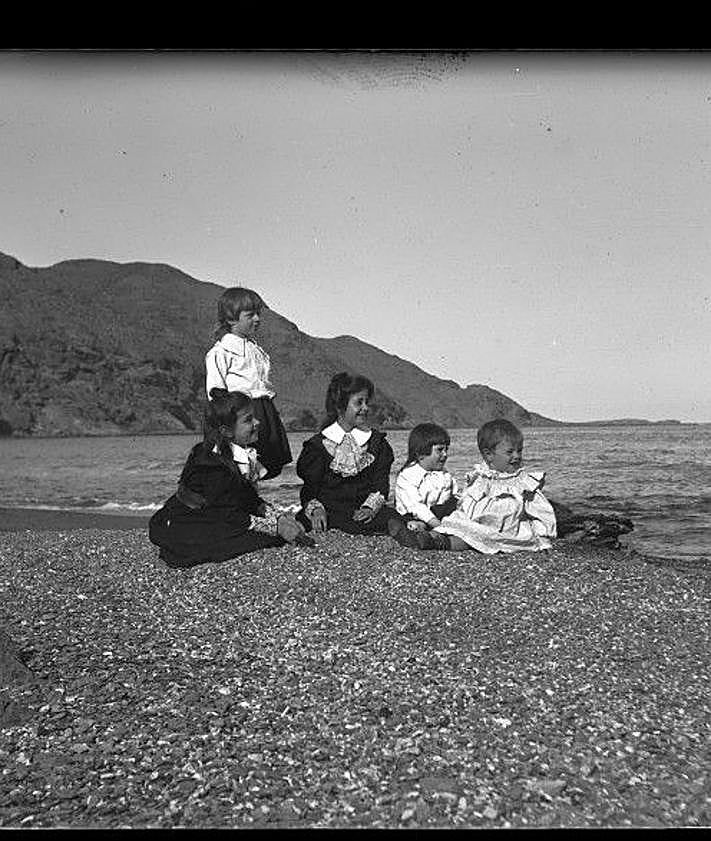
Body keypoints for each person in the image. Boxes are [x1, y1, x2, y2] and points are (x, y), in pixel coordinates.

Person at [149, 388, 310, 569]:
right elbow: (228, 514)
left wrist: (279, 517)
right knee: (260, 540)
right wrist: (276, 527)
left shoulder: (233, 457)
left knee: (268, 536)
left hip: (221, 514)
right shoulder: (211, 465)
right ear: (226, 431)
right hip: (193, 519)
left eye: (254, 417)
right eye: (248, 420)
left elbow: (248, 499)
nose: (257, 422)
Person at [404, 418, 557, 553]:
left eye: (519, 451)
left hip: (505, 529)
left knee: (471, 540)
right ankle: (434, 537)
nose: (516, 456)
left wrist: (543, 538)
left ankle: (440, 543)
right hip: (475, 522)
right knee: (458, 527)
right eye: (510, 452)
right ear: (489, 455)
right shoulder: (482, 477)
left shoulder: (522, 482)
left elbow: (539, 511)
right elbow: (467, 500)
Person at [295, 372, 404, 535]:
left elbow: (381, 485)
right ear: (340, 406)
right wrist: (316, 510)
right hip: (329, 512)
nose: (365, 408)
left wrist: (369, 508)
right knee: (307, 522)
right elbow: (309, 489)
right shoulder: (317, 446)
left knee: (390, 517)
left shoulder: (377, 443)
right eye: (359, 402)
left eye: (367, 402)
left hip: (365, 513)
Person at [205, 286, 292, 479]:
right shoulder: (221, 352)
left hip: (264, 409)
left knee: (268, 464)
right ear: (231, 319)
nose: (257, 319)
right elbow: (216, 391)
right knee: (239, 463)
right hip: (241, 413)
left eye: (258, 314)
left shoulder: (256, 349)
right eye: (250, 315)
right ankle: (239, 501)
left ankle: (252, 498)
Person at [388, 423, 459, 548]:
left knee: (455, 503)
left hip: (438, 513)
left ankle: (425, 530)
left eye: (446, 449)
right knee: (398, 518)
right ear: (421, 454)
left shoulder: (444, 474)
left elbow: (454, 495)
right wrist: (438, 524)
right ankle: (417, 531)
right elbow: (416, 506)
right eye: (440, 450)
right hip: (414, 514)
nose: (445, 454)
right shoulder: (408, 476)